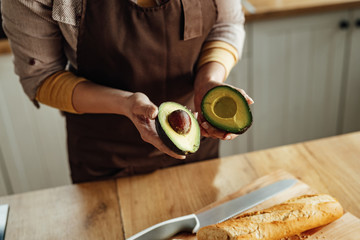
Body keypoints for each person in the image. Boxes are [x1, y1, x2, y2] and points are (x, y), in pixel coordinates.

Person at [1, 0, 253, 183]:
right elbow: (41, 76)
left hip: (197, 143)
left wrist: (208, 82)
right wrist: (125, 104)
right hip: (107, 159)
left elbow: (226, 24)